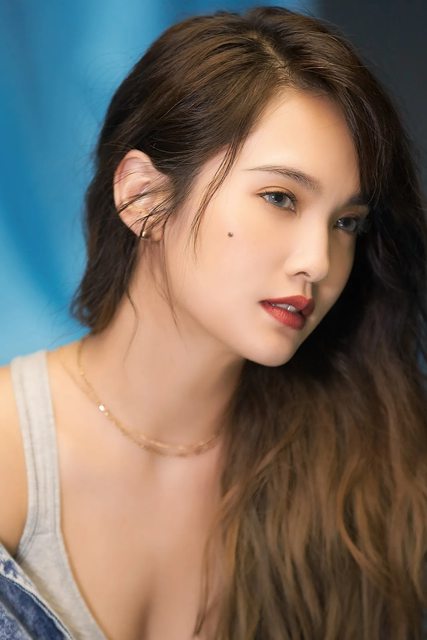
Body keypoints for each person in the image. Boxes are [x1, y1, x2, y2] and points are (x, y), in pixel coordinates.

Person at [0, 5, 426, 640]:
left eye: (346, 223)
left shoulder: (360, 467)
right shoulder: (11, 451)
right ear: (143, 196)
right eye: (280, 198)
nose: (318, 261)